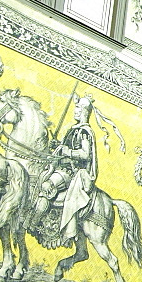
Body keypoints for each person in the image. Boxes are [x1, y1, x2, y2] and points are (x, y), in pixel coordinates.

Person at [33, 96, 98, 243]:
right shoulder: (73, 129)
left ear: (84, 112)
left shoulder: (84, 132)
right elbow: (63, 148)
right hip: (60, 168)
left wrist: (66, 151)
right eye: (75, 108)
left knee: (47, 185)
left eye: (78, 109)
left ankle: (33, 223)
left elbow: (85, 154)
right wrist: (57, 146)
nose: (75, 111)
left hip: (71, 172)